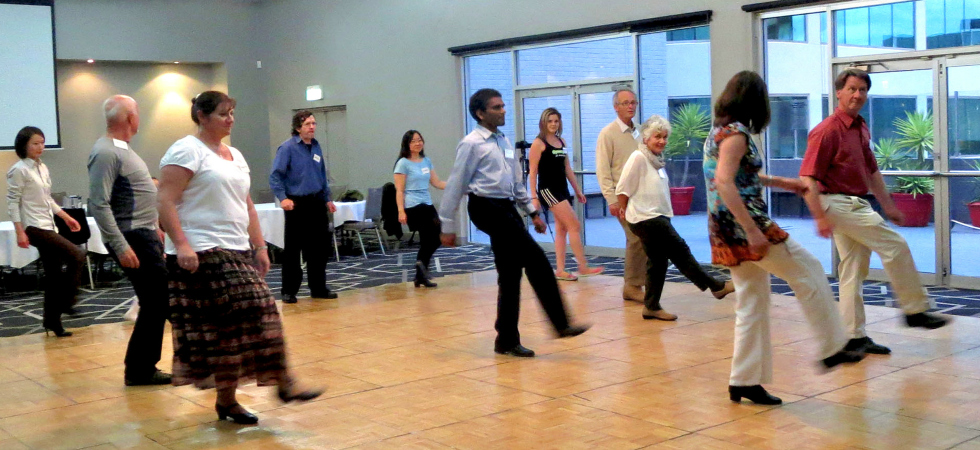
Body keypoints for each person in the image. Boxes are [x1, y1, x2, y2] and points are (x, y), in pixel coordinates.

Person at [158, 91, 321, 425]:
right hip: (202, 250)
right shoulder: (186, 150)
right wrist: (182, 244)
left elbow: (245, 204)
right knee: (260, 305)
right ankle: (284, 381)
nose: (230, 119)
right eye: (223, 114)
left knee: (228, 332)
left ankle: (227, 402)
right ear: (202, 116)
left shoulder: (233, 154)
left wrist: (260, 247)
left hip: (236, 249)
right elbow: (165, 200)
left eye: (232, 113)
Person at [704, 72, 862, 406]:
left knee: (752, 301)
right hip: (745, 226)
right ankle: (833, 346)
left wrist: (785, 183)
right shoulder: (737, 134)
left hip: (724, 228)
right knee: (809, 270)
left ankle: (744, 379)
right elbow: (724, 182)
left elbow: (740, 174)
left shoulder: (719, 131)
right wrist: (751, 231)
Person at [800, 68, 947, 355]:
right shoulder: (827, 130)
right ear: (839, 92)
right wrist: (819, 215)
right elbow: (807, 177)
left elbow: (872, 170)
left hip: (854, 202)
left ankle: (854, 336)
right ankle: (915, 310)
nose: (857, 95)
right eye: (852, 89)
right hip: (836, 202)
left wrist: (889, 205)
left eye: (863, 90)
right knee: (895, 245)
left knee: (853, 269)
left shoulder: (860, 126)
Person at [439, 88, 590, 358]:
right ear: (480, 113)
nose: (503, 110)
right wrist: (447, 225)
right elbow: (455, 185)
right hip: (484, 206)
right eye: (496, 107)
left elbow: (515, 183)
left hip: (506, 207)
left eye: (503, 106)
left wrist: (532, 212)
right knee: (536, 259)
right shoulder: (471, 143)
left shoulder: (504, 141)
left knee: (510, 275)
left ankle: (506, 340)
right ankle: (561, 323)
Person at [615, 115, 734, 321]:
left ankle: (651, 306)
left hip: (657, 216)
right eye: (657, 137)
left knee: (658, 262)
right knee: (680, 250)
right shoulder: (638, 158)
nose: (662, 141)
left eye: (664, 137)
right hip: (646, 218)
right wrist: (624, 212)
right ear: (645, 138)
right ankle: (716, 286)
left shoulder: (655, 160)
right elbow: (622, 189)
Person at [88, 95, 172, 386]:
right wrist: (121, 245)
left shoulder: (121, 150)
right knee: (157, 299)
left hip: (142, 233)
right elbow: (98, 204)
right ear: (130, 119)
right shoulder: (107, 152)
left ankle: (144, 366)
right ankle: (140, 369)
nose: (140, 117)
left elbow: (134, 194)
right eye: (137, 112)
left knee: (158, 299)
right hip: (132, 236)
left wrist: (154, 227)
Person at [6, 126, 85, 338]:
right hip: (33, 226)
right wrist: (19, 231)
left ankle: (52, 322)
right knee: (78, 254)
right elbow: (13, 203)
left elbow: (47, 199)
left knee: (54, 275)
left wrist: (66, 217)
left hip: (48, 224)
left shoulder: (42, 168)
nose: (41, 147)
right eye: (35, 143)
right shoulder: (19, 170)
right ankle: (68, 302)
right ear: (24, 145)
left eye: (42, 142)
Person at [269, 110, 337, 304]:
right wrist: (282, 198)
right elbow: (275, 176)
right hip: (296, 204)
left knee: (319, 248)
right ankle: (289, 290)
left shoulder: (316, 147)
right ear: (298, 127)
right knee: (293, 249)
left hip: (316, 202)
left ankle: (318, 288)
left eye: (314, 123)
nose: (312, 127)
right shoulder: (287, 148)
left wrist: (327, 198)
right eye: (308, 124)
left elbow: (322, 175)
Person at [527, 108, 603, 281]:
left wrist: (577, 190)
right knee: (574, 225)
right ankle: (582, 266)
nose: (553, 124)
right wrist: (533, 197)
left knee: (561, 229)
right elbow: (533, 172)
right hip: (548, 190)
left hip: (562, 189)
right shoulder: (538, 143)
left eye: (556, 121)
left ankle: (560, 270)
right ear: (543, 123)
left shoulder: (562, 141)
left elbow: (567, 168)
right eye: (550, 121)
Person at [596, 89, 647, 302]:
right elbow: (603, 170)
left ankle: (638, 283)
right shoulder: (608, 133)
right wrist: (612, 200)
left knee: (642, 239)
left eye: (633, 102)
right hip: (622, 198)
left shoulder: (641, 132)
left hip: (643, 196)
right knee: (636, 238)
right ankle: (633, 286)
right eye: (625, 103)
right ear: (615, 106)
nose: (631, 106)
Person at [393, 130, 446, 288]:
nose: (418, 143)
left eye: (420, 140)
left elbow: (436, 183)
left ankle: (420, 272)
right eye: (414, 141)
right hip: (413, 205)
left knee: (437, 236)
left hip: (427, 203)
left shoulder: (426, 161)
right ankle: (421, 272)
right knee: (428, 238)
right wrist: (401, 211)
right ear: (407, 144)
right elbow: (399, 190)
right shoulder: (403, 163)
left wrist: (456, 185)